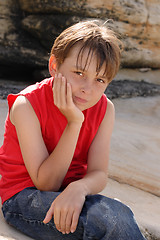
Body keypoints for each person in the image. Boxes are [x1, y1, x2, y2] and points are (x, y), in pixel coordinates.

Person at [0, 20, 146, 240]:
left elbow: (98, 173)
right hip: (24, 198)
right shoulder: (26, 105)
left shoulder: (105, 109)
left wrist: (79, 188)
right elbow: (47, 183)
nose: (87, 89)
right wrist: (74, 122)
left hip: (71, 191)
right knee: (108, 219)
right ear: (54, 65)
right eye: (79, 73)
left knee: (120, 214)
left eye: (99, 79)